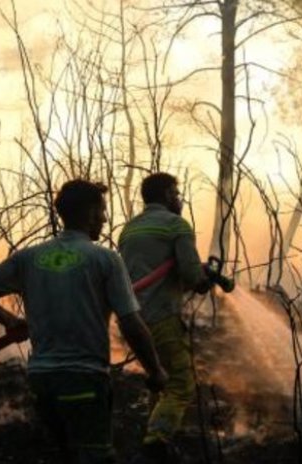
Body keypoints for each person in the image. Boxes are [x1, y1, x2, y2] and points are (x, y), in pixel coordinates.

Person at [0, 179, 168, 464]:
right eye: (103, 211)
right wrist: (155, 370)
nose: (105, 219)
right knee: (96, 456)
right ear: (91, 213)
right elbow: (130, 323)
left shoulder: (29, 258)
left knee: (67, 454)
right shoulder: (105, 259)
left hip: (41, 382)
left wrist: (9, 320)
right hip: (84, 378)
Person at [118, 173, 211, 463]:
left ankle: (153, 431)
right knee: (181, 383)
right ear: (169, 195)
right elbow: (192, 276)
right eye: (177, 193)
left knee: (158, 378)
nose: (179, 199)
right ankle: (156, 442)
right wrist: (202, 279)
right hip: (162, 318)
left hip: (132, 321)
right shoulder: (175, 225)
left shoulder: (129, 229)